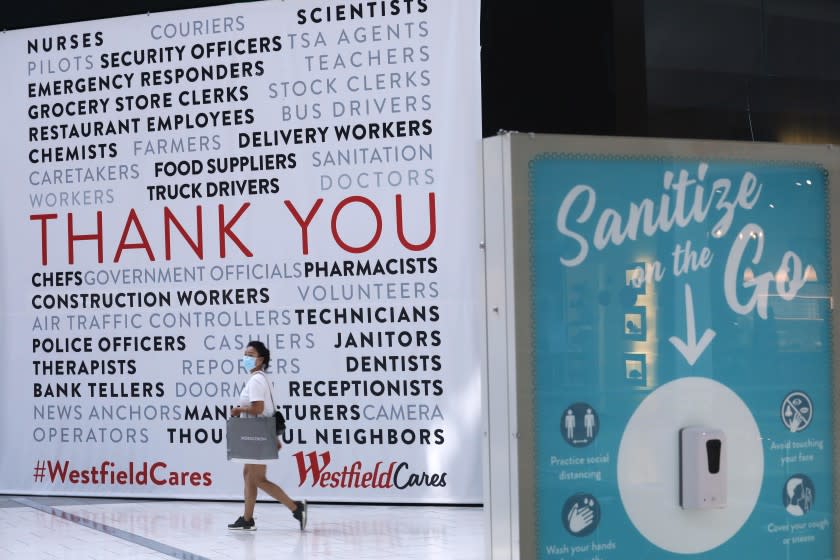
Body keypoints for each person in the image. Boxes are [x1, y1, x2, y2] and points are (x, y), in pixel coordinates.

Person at [227, 340, 307, 531]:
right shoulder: (260, 378)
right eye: (245, 354)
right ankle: (247, 519)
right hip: (259, 434)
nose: (246, 358)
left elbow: (259, 408)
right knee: (248, 474)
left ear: (261, 359)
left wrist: (238, 409)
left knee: (257, 479)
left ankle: (296, 508)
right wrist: (274, 438)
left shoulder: (256, 380)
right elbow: (268, 411)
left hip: (256, 435)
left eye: (251, 355)